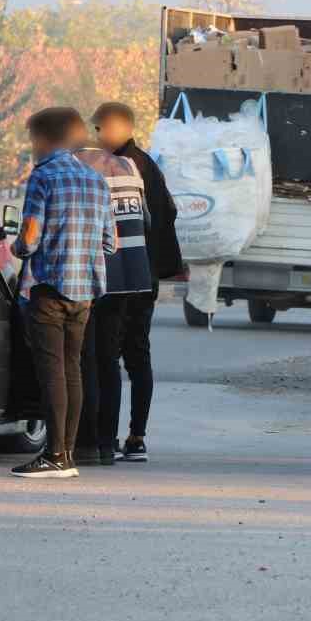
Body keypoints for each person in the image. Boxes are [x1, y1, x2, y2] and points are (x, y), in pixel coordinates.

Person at [10, 107, 116, 480]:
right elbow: (110, 242)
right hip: (84, 293)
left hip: (49, 289)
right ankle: (66, 452)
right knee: (72, 369)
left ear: (44, 139)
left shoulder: (43, 177)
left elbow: (29, 237)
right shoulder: (96, 180)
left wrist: (18, 250)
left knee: (51, 371)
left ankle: (53, 454)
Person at [91, 101, 181, 461]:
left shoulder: (118, 167)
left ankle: (105, 438)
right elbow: (168, 212)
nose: (96, 137)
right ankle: (136, 436)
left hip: (120, 276)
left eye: (98, 130)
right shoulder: (149, 166)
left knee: (108, 356)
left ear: (114, 130)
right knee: (138, 356)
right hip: (146, 277)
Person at [68, 109, 153, 466]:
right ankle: (106, 443)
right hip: (133, 274)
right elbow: (146, 219)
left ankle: (87, 442)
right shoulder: (131, 167)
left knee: (88, 356)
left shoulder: (80, 168)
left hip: (101, 272)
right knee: (110, 359)